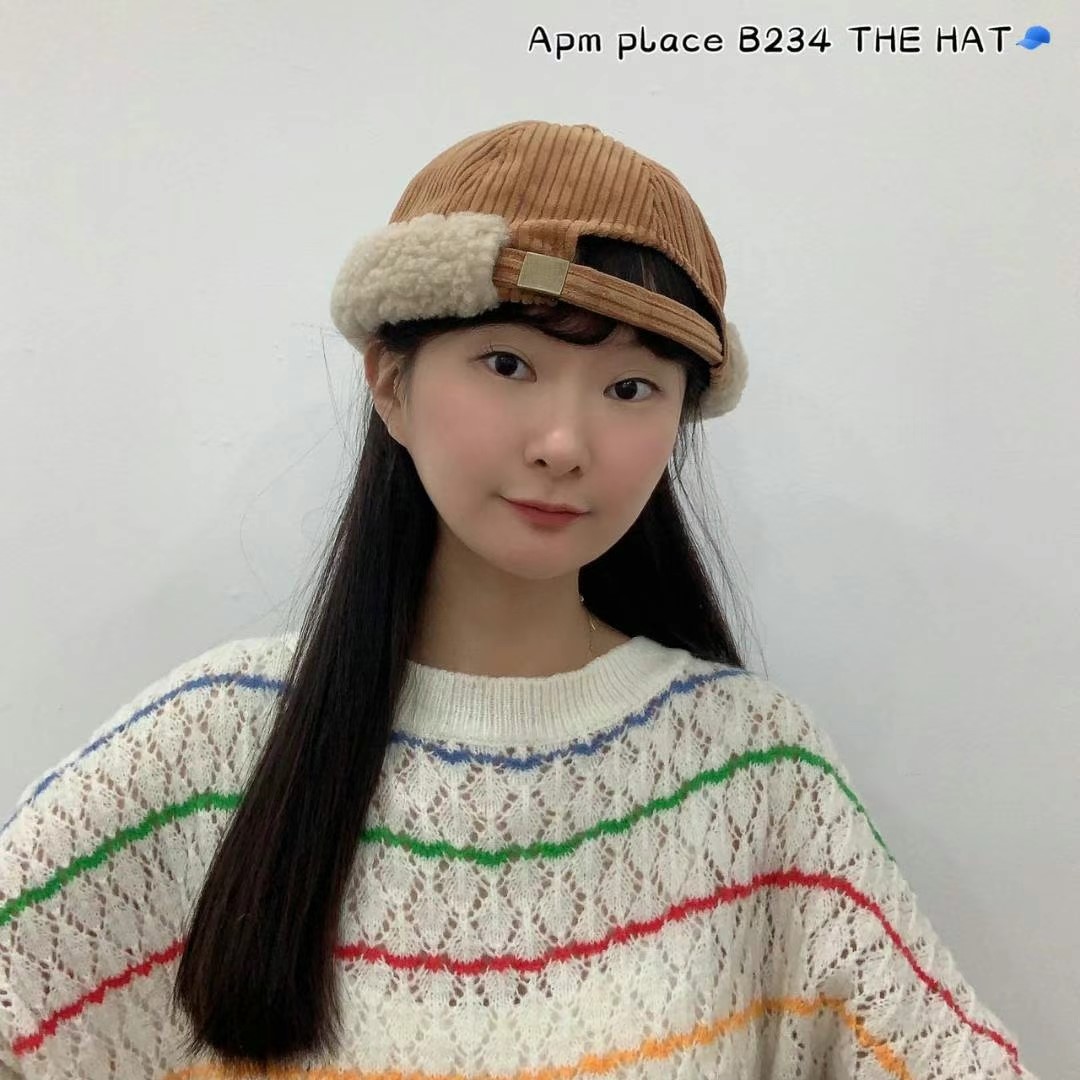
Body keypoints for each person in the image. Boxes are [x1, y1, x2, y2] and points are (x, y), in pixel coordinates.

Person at [0, 121, 1037, 1079]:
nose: (564, 442)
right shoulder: (209, 748)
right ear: (390, 383)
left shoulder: (755, 770)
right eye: (508, 363)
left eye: (631, 388)